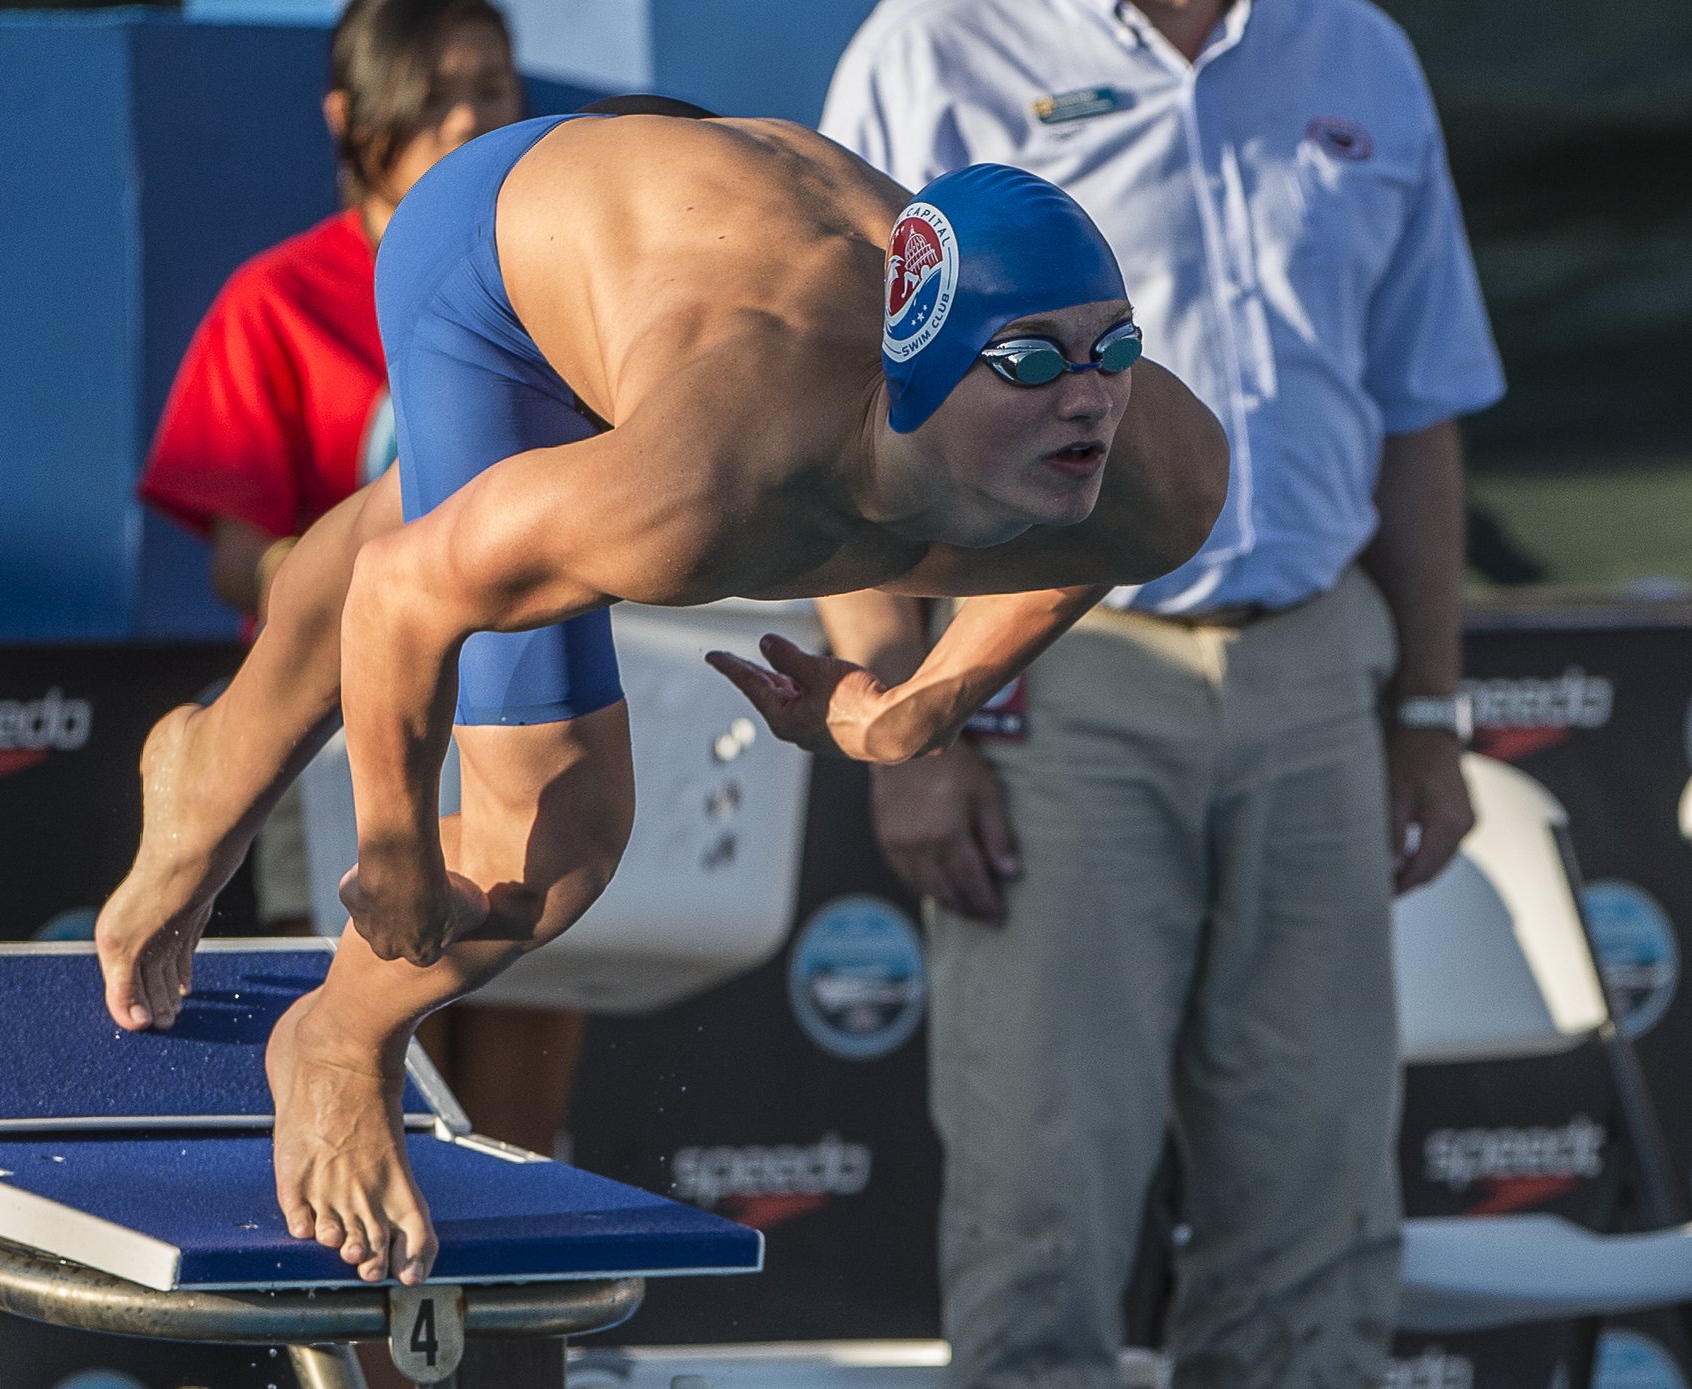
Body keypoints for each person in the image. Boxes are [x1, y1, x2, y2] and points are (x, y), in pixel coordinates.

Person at [93, 109, 1229, 1287]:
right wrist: (393, 850)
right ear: (926, 372)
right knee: (557, 837)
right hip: (493, 248)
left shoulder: (1157, 463)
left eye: (1114, 349)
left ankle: (200, 762)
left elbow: (1111, 539)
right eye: (1035, 361)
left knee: (469, 516)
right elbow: (394, 595)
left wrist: (929, 698)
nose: (1091, 400)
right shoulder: (706, 488)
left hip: (686, 209)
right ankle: (334, 1039)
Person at [817, 1, 1505, 1384]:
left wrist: (1426, 711)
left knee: (1313, 1220)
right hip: (1048, 677)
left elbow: (1413, 401)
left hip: (1318, 665)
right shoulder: (931, 46)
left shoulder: (1355, 46)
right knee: (1042, 1211)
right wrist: (902, 725)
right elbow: (831, 398)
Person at [138, 0, 587, 1163]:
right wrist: (389, 581)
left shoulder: (555, 282)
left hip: (539, 703)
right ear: (351, 117)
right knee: (370, 1087)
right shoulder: (277, 299)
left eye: (490, 87)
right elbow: (239, 551)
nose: (467, 117)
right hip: (341, 729)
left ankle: (502, 1349)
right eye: (432, 93)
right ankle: (367, 1347)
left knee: (518, 1125)